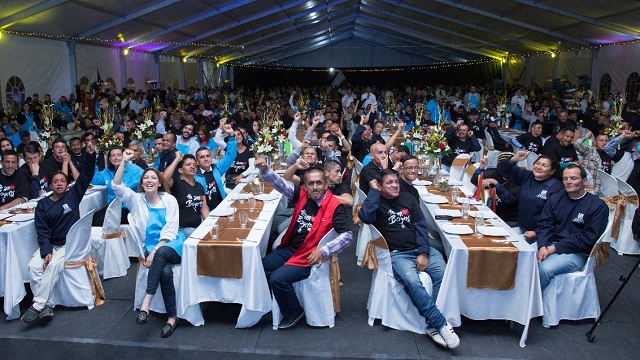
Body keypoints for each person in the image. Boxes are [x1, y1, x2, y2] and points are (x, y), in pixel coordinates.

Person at [358, 169, 459, 349]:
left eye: (396, 182)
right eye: (389, 183)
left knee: (443, 274)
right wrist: (373, 191)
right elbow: (365, 217)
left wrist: (423, 252)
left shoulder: (408, 199)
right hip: (397, 254)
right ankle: (440, 324)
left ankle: (432, 326)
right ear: (380, 186)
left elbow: (421, 227)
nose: (395, 185)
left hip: (419, 248)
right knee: (413, 282)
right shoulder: (375, 202)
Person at [256, 157, 352, 330]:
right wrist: (265, 170)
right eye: (311, 183)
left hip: (309, 257)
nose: (315, 187)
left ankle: (293, 311)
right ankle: (279, 301)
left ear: (325, 184)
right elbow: (280, 184)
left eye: (318, 183)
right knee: (262, 266)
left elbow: (347, 236)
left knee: (278, 278)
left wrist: (324, 251)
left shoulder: (335, 206)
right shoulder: (302, 194)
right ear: (305, 186)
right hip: (292, 249)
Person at [21, 142, 96, 323]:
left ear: (67, 184)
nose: (60, 184)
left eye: (63, 181)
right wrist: (46, 252)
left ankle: (37, 304)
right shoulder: (43, 205)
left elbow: (86, 175)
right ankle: (49, 304)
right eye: (56, 181)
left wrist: (90, 155)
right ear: (51, 185)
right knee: (34, 267)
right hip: (52, 245)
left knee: (53, 265)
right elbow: (42, 232)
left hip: (70, 244)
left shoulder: (74, 195)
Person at [112, 150, 184, 338]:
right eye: (146, 178)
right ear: (142, 183)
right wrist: (124, 163)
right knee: (166, 272)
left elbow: (170, 230)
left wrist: (154, 253)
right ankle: (172, 318)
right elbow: (117, 186)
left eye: (153, 177)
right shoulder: (136, 201)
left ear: (160, 182)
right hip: (151, 249)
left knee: (160, 255)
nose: (150, 180)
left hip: (173, 244)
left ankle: (146, 303)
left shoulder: (169, 200)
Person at [536, 164, 608, 290]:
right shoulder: (556, 198)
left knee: (544, 269)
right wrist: (542, 245)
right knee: (521, 258)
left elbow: (586, 238)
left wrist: (555, 248)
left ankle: (537, 305)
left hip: (577, 252)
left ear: (584, 181)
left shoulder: (597, 206)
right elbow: (545, 224)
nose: (569, 182)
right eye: (565, 178)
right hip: (549, 244)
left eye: (574, 178)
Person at [498, 150, 564, 242]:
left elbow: (556, 216)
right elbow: (502, 169)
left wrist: (537, 232)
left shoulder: (556, 187)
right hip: (522, 228)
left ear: (552, 171)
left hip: (541, 234)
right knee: (498, 240)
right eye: (537, 163)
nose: (539, 167)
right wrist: (515, 159)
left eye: (544, 165)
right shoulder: (527, 176)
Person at [91, 146, 144, 226]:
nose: (116, 158)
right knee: (92, 219)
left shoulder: (135, 170)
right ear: (109, 159)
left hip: (128, 208)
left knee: (100, 222)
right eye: (113, 156)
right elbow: (95, 180)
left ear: (124, 156)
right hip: (112, 206)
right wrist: (92, 159)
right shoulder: (108, 171)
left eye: (119, 155)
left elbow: (146, 179)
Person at [162, 152, 209, 238]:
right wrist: (176, 160)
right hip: (182, 229)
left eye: (194, 165)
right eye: (188, 165)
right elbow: (163, 179)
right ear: (180, 170)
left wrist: (210, 225)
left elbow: (204, 209)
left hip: (198, 227)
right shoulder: (176, 183)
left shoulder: (199, 186)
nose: (192, 167)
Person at [195, 123, 237, 211]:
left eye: (208, 156)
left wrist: (231, 136)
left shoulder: (216, 168)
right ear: (197, 162)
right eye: (202, 157)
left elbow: (230, 155)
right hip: (205, 213)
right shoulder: (194, 176)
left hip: (221, 207)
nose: (206, 159)